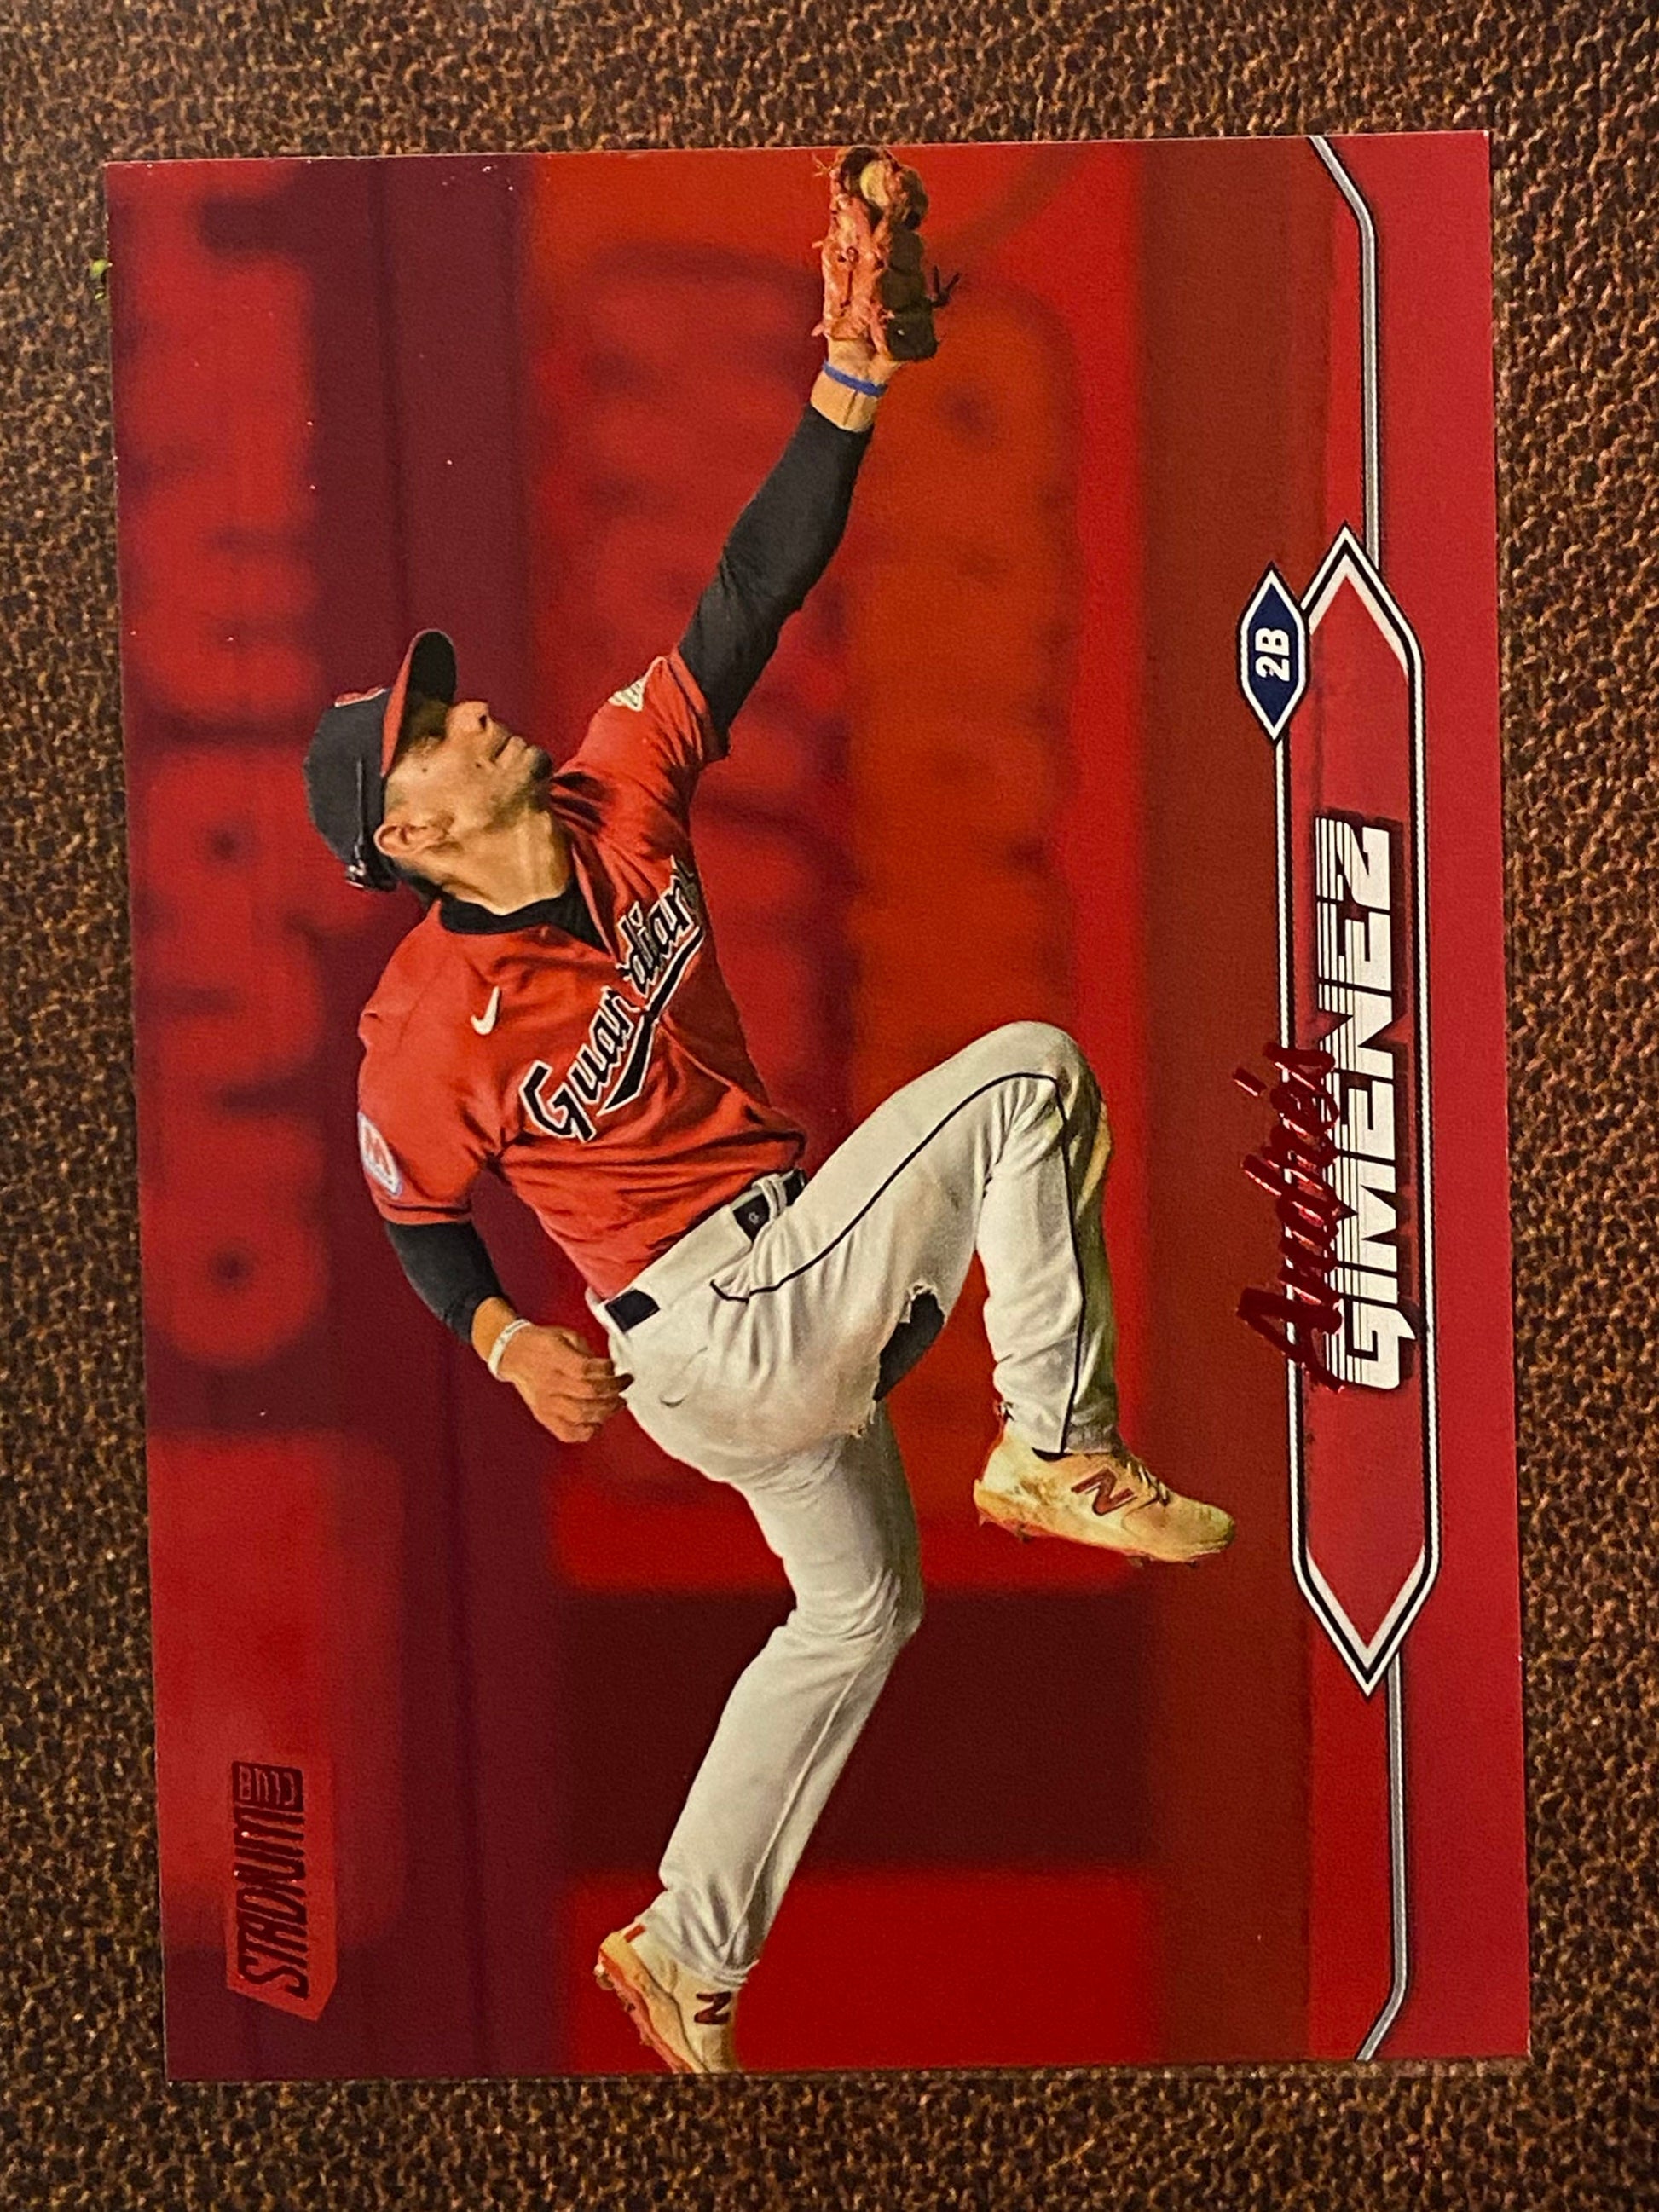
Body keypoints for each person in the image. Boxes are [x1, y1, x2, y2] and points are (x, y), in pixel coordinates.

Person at [303, 280, 1234, 2082]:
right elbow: (416, 1211)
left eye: (442, 696)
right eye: (430, 726)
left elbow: (745, 594)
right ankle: (1052, 1438)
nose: (468, 707)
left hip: (752, 1308)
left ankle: (684, 1944)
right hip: (715, 1325)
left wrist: (850, 376)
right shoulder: (420, 1025)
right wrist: (498, 1338)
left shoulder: (614, 799)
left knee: (859, 1610)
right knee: (1025, 1075)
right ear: (405, 833)